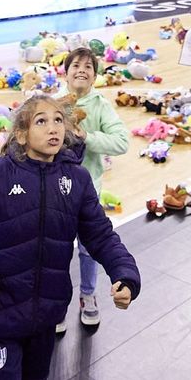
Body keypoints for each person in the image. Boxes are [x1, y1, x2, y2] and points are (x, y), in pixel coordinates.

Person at [0, 96, 140, 380]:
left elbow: (101, 236)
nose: (53, 128)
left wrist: (125, 274)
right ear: (21, 133)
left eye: (58, 120)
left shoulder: (77, 180)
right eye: (41, 121)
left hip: (46, 318)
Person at [57, 48, 131, 332]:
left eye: (88, 67)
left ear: (95, 76)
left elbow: (122, 141)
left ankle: (87, 295)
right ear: (65, 72)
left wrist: (87, 136)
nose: (82, 70)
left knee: (88, 250)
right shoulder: (53, 103)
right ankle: (59, 302)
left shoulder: (101, 105)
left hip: (88, 194)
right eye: (76, 65)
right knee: (57, 251)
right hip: (55, 193)